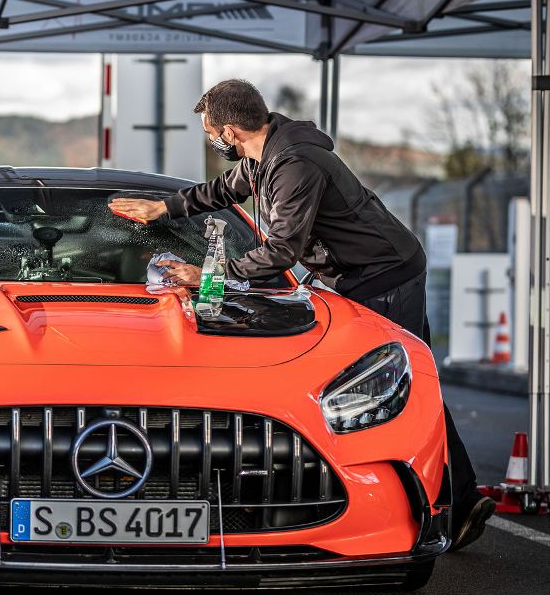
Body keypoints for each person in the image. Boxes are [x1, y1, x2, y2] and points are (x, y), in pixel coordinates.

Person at [109, 78, 495, 552]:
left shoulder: (293, 164)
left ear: (231, 131)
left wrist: (203, 272)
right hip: (354, 273)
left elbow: (279, 254)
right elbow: (219, 192)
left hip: (383, 275)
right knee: (396, 384)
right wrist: (163, 208)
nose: (212, 141)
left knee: (391, 385)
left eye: (211, 132)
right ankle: (462, 500)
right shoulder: (262, 154)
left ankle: (438, 508)